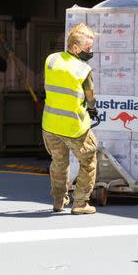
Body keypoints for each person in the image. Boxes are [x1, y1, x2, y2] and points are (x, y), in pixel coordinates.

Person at [42, 23, 99, 215]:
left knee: (59, 162)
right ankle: (81, 203)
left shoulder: (51, 60)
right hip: (74, 126)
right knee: (89, 161)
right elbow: (90, 97)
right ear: (76, 47)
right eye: (88, 49)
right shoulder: (83, 69)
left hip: (50, 124)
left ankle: (59, 200)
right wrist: (92, 109)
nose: (90, 52)